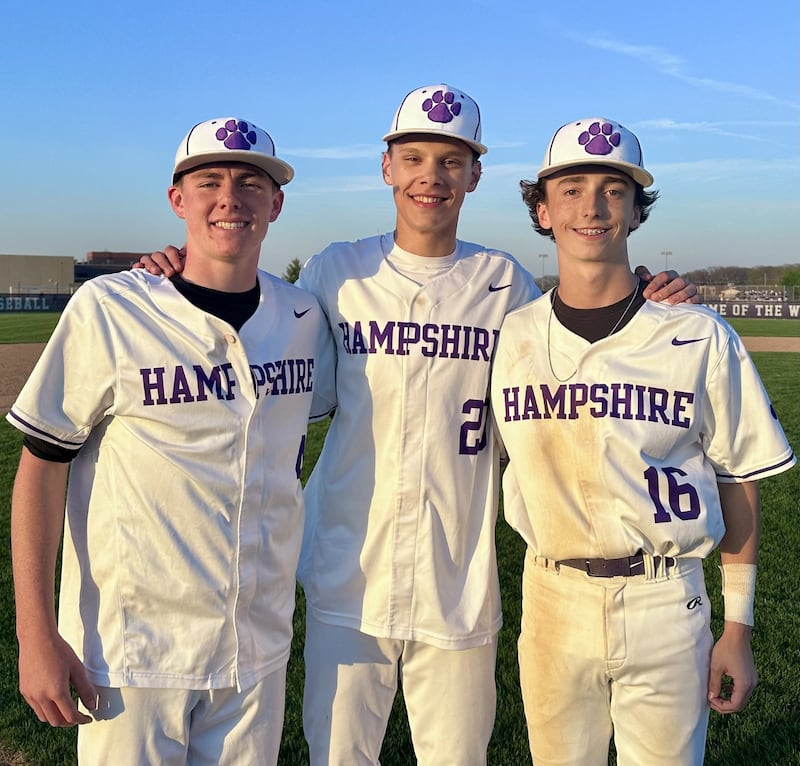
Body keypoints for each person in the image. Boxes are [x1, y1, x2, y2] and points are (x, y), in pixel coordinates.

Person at [138, 87, 697, 765]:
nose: (431, 176)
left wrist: (647, 294)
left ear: (474, 175)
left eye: (451, 161)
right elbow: (253, 325)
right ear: (387, 168)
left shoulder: (505, 282)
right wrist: (175, 272)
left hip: (459, 581)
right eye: (413, 158)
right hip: (347, 573)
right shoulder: (335, 271)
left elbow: (582, 325)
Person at [8, 117, 335, 765]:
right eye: (208, 181)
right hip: (134, 652)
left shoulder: (302, 317)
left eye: (250, 183)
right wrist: (35, 634)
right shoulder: (111, 308)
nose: (229, 197)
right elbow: (41, 467)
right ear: (176, 199)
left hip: (256, 649)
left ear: (275, 204)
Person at [490, 117, 796, 765]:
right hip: (551, 595)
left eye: (613, 190)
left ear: (636, 212)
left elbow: (736, 479)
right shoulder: (512, 336)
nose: (592, 207)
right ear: (542, 211)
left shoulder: (697, 333)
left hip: (666, 598)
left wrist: (738, 627)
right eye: (571, 190)